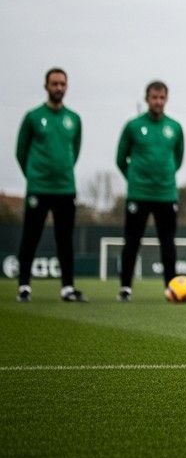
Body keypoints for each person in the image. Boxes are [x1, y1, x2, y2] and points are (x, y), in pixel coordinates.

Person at [14, 67, 86, 302]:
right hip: (39, 188)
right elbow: (21, 151)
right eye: (54, 84)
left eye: (62, 84)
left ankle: (67, 287)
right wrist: (34, 176)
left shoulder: (74, 119)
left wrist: (61, 172)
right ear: (46, 86)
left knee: (65, 239)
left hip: (65, 188)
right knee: (30, 237)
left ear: (67, 87)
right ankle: (24, 285)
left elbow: (74, 151)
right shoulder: (33, 117)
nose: (58, 88)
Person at [114, 80, 185, 301]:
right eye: (154, 97)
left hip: (166, 194)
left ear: (166, 99)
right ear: (147, 99)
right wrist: (135, 179)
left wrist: (164, 177)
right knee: (132, 241)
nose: (158, 102)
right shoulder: (133, 126)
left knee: (168, 243)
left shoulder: (174, 127)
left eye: (162, 98)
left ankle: (172, 287)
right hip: (139, 194)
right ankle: (126, 287)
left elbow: (178, 158)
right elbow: (120, 158)